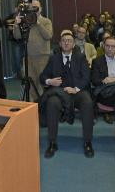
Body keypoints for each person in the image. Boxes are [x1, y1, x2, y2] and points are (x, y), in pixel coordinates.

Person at [40, 30, 94, 159]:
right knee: (52, 103)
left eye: (69, 41)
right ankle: (52, 143)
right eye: (64, 41)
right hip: (59, 93)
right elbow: (42, 77)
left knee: (87, 103)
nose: (66, 43)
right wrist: (50, 81)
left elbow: (86, 77)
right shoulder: (54, 58)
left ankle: (88, 142)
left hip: (77, 92)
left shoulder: (80, 57)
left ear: (74, 44)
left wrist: (76, 89)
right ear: (60, 43)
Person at [13, 0, 53, 101]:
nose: (34, 9)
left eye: (36, 7)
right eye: (32, 7)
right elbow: (17, 36)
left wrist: (38, 23)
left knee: (41, 83)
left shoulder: (46, 21)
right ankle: (32, 106)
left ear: (41, 9)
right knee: (30, 84)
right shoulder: (26, 21)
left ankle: (43, 105)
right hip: (28, 57)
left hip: (42, 56)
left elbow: (48, 35)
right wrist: (16, 24)